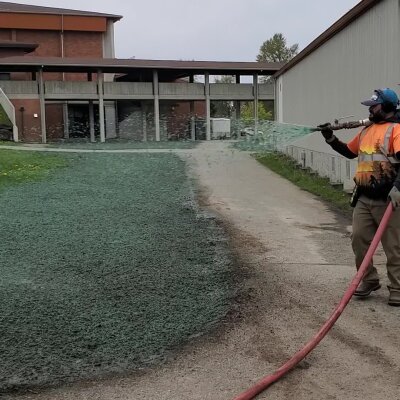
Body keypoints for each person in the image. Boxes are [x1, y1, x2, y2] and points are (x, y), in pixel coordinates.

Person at [319, 88, 400, 306]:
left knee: (394, 247)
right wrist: (330, 138)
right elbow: (349, 151)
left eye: (374, 106)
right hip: (364, 197)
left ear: (387, 107)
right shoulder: (366, 130)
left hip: (390, 201)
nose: (370, 109)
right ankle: (369, 279)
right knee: (359, 240)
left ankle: (397, 288)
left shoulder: (396, 130)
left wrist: (397, 188)